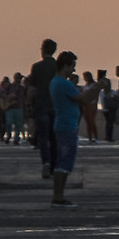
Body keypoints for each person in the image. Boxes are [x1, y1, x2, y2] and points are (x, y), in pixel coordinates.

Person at [47, 50, 83, 207]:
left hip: (63, 125)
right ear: (65, 66)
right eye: (72, 66)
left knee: (62, 162)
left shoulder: (56, 82)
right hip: (67, 127)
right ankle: (59, 198)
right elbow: (86, 99)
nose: (74, 70)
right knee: (65, 163)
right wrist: (99, 86)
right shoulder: (62, 83)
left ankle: (58, 197)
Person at [27, 38, 60, 172]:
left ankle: (45, 162)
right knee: (54, 138)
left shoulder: (37, 67)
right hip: (56, 106)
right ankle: (54, 164)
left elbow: (32, 89)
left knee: (42, 137)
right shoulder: (58, 66)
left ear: (43, 50)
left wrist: (28, 104)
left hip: (41, 105)